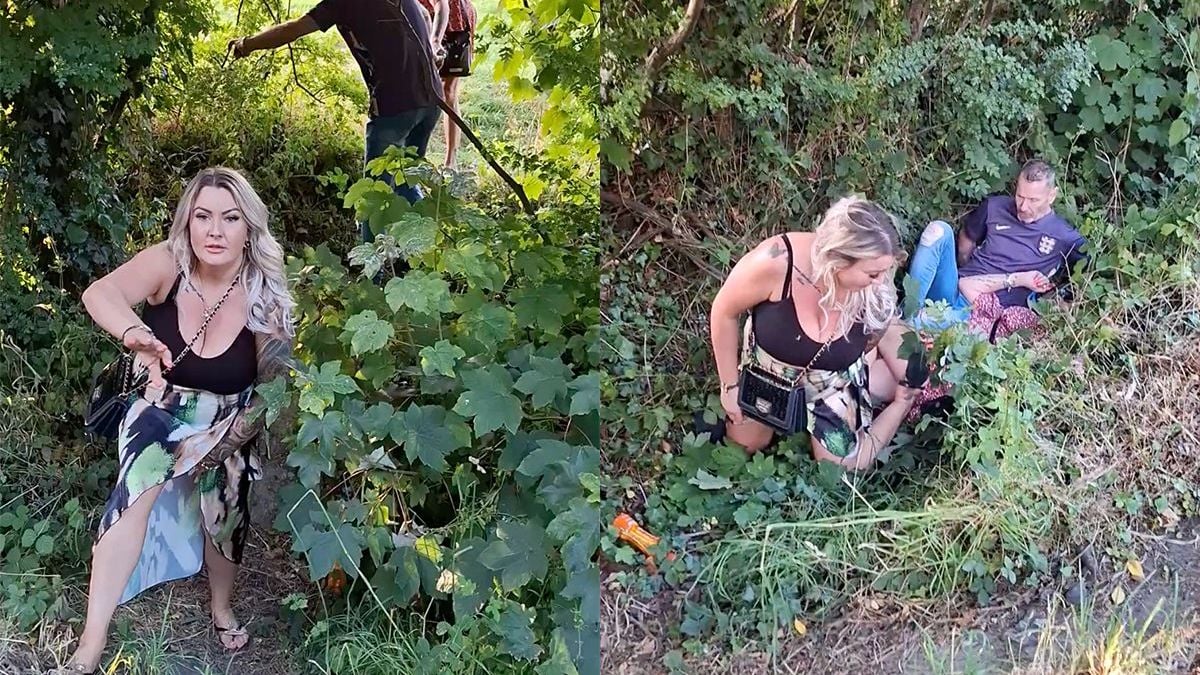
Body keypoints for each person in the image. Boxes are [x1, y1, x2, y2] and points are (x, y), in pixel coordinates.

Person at [56, 168, 295, 674]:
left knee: (227, 506)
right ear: (186, 223)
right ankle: (90, 645)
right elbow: (98, 293)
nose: (215, 231)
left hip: (231, 416)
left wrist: (224, 447)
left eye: (230, 219)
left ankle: (221, 605)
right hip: (162, 405)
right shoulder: (170, 263)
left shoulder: (263, 294)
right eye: (202, 216)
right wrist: (135, 335)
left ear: (249, 228)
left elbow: (274, 391)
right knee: (137, 484)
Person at [705, 196, 929, 470]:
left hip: (833, 380)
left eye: (884, 272)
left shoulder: (874, 288)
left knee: (841, 471)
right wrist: (729, 387)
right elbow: (723, 311)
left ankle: (889, 396)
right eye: (872, 274)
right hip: (770, 372)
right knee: (741, 450)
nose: (881, 281)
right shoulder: (777, 262)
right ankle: (875, 383)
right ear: (837, 261)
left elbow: (882, 331)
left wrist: (904, 394)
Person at [227, 0, 444, 240]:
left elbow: (293, 29)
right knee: (405, 180)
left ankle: (374, 269)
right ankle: (425, 250)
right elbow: (424, 13)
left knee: (373, 193)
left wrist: (246, 44)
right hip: (432, 100)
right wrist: (432, 50)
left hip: (396, 104)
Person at [904, 159, 1088, 338]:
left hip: (982, 312)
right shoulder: (995, 206)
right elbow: (966, 240)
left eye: (1033, 200)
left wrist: (1061, 300)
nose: (1023, 207)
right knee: (937, 230)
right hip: (956, 286)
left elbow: (1084, 274)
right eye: (1020, 196)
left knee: (919, 322)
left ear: (1052, 196)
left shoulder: (1064, 236)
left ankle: (904, 322)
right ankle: (910, 306)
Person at [419, 0, 477, 167]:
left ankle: (451, 161)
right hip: (425, 18)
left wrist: (435, 40)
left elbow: (441, 4)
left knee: (448, 91)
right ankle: (413, 151)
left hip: (454, 17)